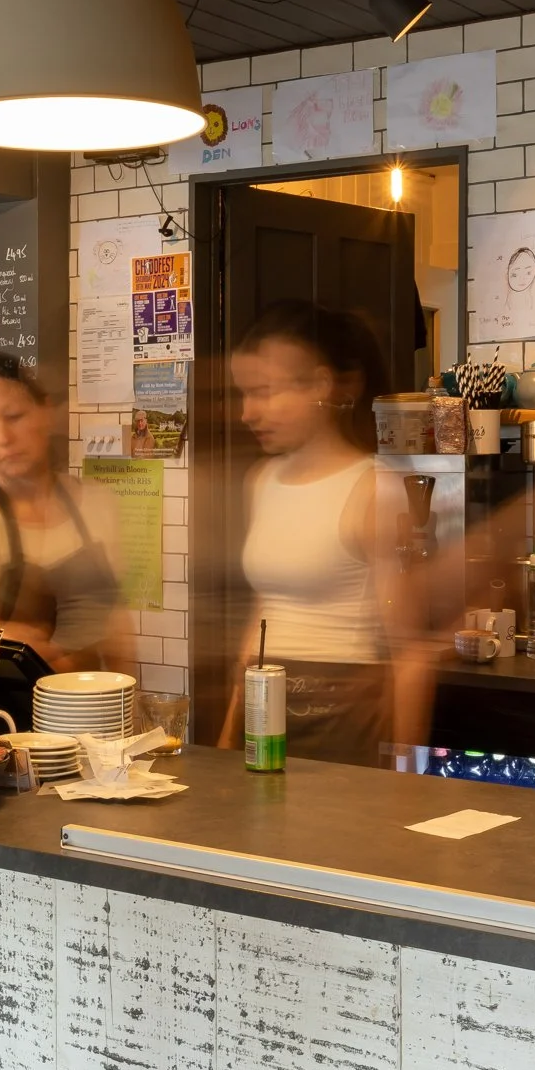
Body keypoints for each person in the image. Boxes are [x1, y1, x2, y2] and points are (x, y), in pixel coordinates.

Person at [218, 301, 425, 766]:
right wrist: (228, 742)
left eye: (264, 392)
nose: (248, 413)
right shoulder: (261, 481)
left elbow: (410, 654)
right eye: (243, 393)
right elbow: (259, 626)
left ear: (320, 386)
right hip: (263, 711)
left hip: (344, 715)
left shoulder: (377, 488)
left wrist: (408, 782)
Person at [0, 356, 131, 676]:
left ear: (46, 413)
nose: (2, 438)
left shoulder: (97, 503)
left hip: (93, 702)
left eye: (14, 416)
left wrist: (130, 698)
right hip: (5, 713)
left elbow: (116, 624)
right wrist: (23, 642)